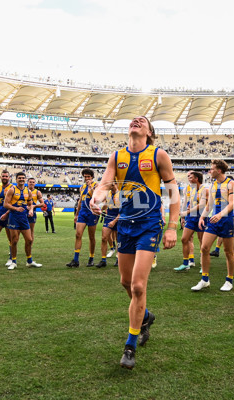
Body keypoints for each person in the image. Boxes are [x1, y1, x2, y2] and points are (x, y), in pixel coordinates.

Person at [89, 116, 179, 370]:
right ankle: (146, 316)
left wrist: (172, 227)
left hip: (149, 224)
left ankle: (130, 345)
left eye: (143, 121)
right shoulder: (117, 157)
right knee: (125, 283)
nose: (137, 120)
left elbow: (173, 194)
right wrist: (97, 199)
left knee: (139, 285)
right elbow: (105, 184)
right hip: (126, 224)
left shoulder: (159, 155)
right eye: (134, 120)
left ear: (149, 132)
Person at [191, 159, 234, 292]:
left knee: (229, 252)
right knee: (204, 248)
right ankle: (204, 279)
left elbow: (232, 203)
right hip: (213, 220)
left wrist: (220, 215)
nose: (209, 171)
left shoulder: (231, 183)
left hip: (227, 220)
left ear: (219, 170)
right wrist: (202, 217)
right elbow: (209, 204)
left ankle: (229, 280)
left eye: (211, 169)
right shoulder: (212, 185)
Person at [4, 172, 42, 270]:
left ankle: (29, 261)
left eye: (23, 178)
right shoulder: (12, 190)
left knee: (29, 240)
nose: (21, 179)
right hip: (14, 217)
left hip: (24, 218)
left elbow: (30, 204)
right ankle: (14, 261)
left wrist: (30, 210)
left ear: (25, 180)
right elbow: (5, 204)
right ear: (16, 179)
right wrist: (16, 209)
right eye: (19, 178)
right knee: (14, 240)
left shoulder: (28, 191)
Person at [175, 171, 208, 272]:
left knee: (202, 241)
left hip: (201, 217)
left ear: (197, 178)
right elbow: (186, 202)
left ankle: (203, 265)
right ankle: (186, 263)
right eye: (188, 177)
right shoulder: (188, 189)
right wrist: (183, 217)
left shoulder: (205, 189)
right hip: (190, 217)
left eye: (191, 177)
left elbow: (202, 205)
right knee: (184, 239)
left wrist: (187, 212)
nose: (188, 178)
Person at [66, 169, 98, 268]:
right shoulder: (82, 187)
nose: (87, 178)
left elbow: (96, 198)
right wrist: (76, 214)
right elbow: (80, 201)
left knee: (91, 237)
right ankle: (76, 260)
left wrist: (90, 188)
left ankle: (91, 258)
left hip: (92, 212)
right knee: (78, 234)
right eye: (85, 176)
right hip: (83, 213)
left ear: (92, 177)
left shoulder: (96, 185)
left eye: (88, 176)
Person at [96, 183, 120, 268]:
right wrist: (99, 210)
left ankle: (118, 259)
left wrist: (114, 221)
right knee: (104, 238)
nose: (109, 186)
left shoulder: (121, 194)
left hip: (119, 218)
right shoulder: (108, 193)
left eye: (111, 184)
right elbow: (106, 204)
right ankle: (103, 260)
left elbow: (123, 211)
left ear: (116, 184)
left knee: (118, 240)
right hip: (109, 217)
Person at [27, 178, 44, 242]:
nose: (31, 183)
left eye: (33, 182)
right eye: (30, 182)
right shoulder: (23, 191)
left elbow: (42, 204)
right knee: (19, 230)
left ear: (35, 183)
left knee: (31, 231)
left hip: (32, 213)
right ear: (27, 183)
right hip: (23, 212)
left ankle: (29, 247)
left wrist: (34, 206)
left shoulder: (37, 192)